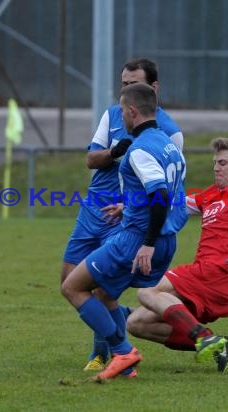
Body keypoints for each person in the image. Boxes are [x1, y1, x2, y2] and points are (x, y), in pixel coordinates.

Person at [61, 58, 184, 372]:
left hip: (134, 231)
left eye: (131, 88)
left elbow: (163, 194)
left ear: (134, 109)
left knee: (81, 288)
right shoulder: (158, 143)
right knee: (90, 286)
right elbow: (94, 160)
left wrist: (148, 239)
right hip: (118, 217)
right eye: (123, 85)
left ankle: (117, 351)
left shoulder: (151, 144)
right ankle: (122, 352)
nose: (124, 94)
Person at [126, 137, 228, 373]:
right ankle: (217, 345)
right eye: (214, 163)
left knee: (147, 291)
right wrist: (125, 204)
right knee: (136, 323)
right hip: (205, 278)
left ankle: (203, 335)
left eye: (222, 163)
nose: (216, 168)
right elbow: (170, 203)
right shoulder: (210, 194)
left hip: (218, 273)